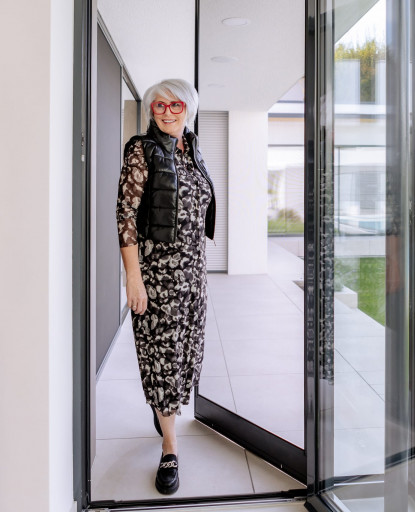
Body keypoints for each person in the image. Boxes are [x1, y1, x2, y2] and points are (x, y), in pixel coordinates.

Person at [116, 78, 216, 495]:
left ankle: (164, 413)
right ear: (151, 110)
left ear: (188, 108)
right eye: (159, 105)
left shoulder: (193, 150)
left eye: (176, 104)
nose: (168, 111)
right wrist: (133, 278)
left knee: (187, 355)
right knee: (164, 359)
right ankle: (170, 446)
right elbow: (125, 217)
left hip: (194, 276)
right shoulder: (142, 150)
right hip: (159, 278)